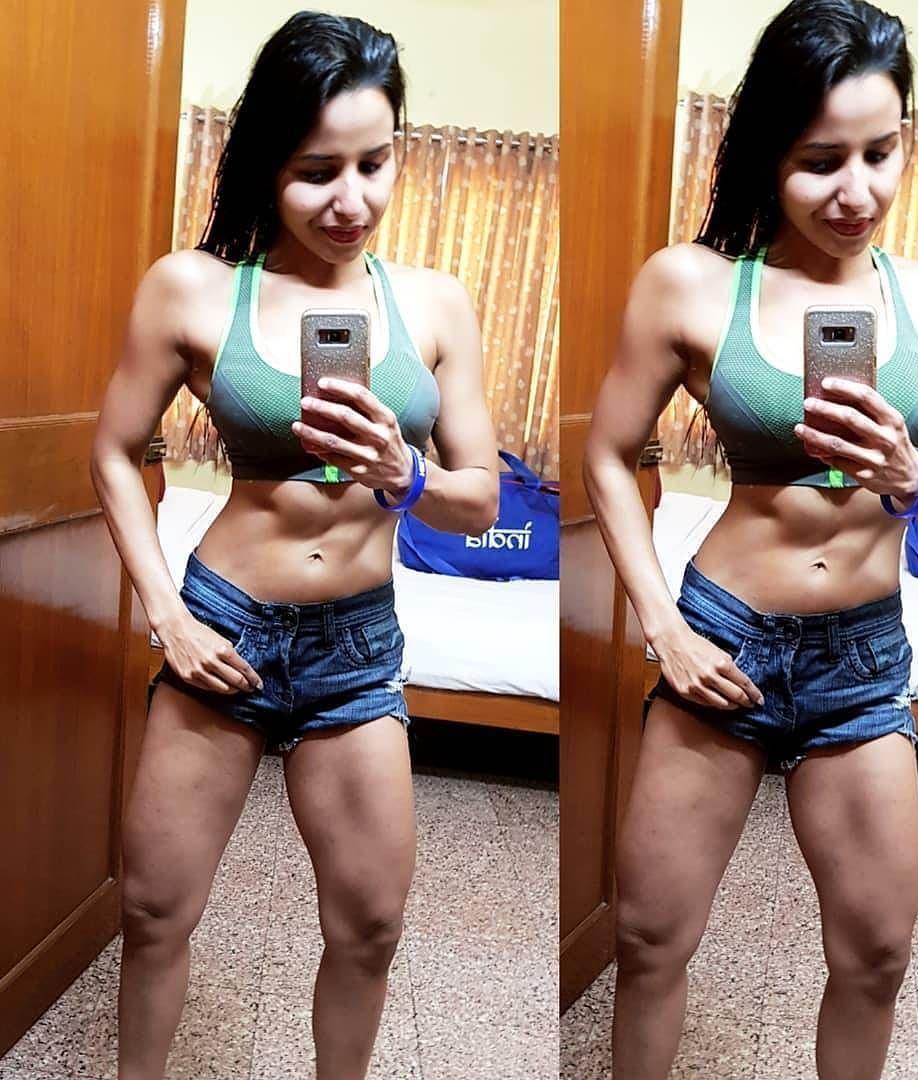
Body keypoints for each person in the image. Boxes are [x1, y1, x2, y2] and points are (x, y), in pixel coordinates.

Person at [583, 1, 918, 1077]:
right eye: (821, 162)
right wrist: (664, 628)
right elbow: (609, 455)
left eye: (881, 152)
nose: (856, 191)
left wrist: (911, 477)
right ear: (769, 153)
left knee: (876, 955)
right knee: (649, 942)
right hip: (723, 637)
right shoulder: (689, 284)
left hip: (861, 660)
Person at [90, 12, 498, 1078]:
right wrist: (168, 617)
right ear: (268, 164)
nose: (351, 200)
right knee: (154, 912)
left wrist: (406, 473)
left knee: (370, 927)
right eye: (318, 172)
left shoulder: (436, 306)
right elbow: (115, 452)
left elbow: (479, 500)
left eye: (374, 163)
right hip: (223, 626)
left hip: (356, 647)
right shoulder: (192, 288)